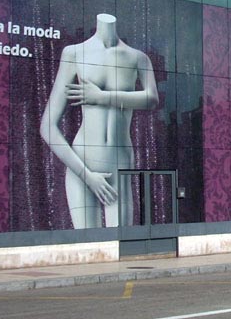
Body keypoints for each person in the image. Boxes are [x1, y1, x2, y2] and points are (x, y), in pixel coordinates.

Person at [41, 13, 159, 229]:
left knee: (122, 239)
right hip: (82, 162)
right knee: (87, 241)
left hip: (119, 161)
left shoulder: (137, 58)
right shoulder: (74, 53)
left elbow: (152, 99)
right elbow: (47, 126)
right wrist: (87, 175)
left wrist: (102, 97)